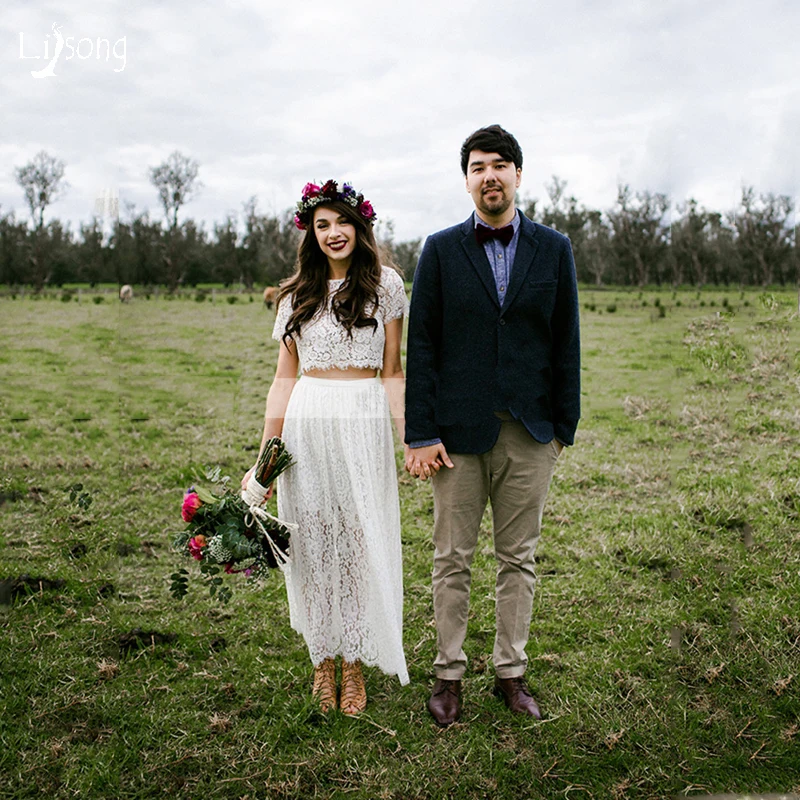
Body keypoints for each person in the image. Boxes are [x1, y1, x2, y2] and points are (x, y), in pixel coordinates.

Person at [404, 125, 580, 726]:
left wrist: (562, 428)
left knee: (519, 558)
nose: (490, 176)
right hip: (455, 437)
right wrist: (421, 432)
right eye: (478, 166)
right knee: (451, 558)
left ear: (518, 175)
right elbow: (422, 346)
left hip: (531, 434)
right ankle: (448, 675)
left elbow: (566, 343)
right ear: (467, 179)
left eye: (500, 165)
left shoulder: (554, 249)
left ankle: (511, 673)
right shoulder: (441, 250)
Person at [243, 180, 410, 715]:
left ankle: (354, 661)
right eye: (322, 225)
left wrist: (409, 437)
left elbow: (392, 372)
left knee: (358, 538)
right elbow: (283, 380)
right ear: (310, 234)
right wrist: (266, 460)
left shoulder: (387, 286)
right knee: (312, 540)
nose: (333, 233)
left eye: (342, 222)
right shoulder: (296, 295)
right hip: (308, 422)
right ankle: (323, 661)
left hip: (362, 421)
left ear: (360, 227)